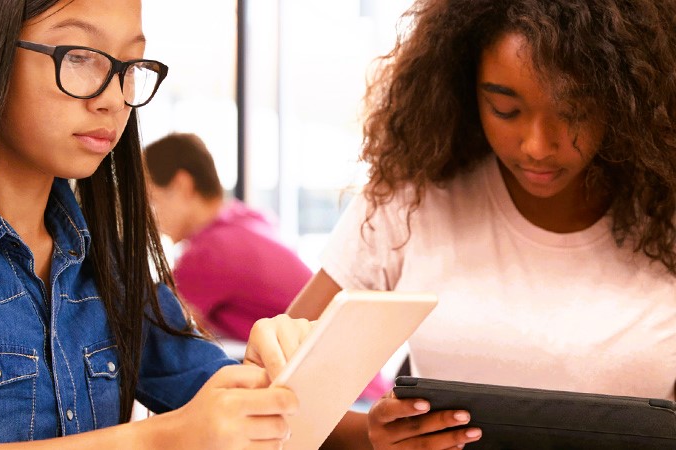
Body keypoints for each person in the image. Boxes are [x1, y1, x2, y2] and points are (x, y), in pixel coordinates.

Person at [0, 1, 312, 448]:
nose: (114, 99)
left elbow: (221, 397)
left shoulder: (104, 259)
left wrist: (279, 378)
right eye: (81, 57)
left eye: (129, 66)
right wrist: (157, 440)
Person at [286, 0, 676, 448]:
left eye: (572, 113)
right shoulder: (411, 200)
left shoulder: (665, 215)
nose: (535, 146)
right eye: (505, 110)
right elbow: (272, 395)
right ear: (465, 89)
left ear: (624, 98)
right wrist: (372, 437)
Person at [144, 132, 313, 342]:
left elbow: (157, 327)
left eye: (152, 201)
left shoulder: (208, 253)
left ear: (182, 185)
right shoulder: (245, 220)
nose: (150, 218)